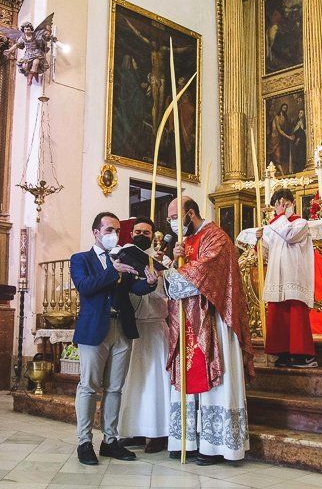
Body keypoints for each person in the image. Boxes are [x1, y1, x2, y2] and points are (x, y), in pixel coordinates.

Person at [162, 197, 254, 465]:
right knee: (188, 381)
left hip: (214, 321)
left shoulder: (217, 238)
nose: (173, 224)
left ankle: (215, 446)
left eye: (175, 217)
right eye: (170, 219)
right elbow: (183, 273)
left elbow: (202, 274)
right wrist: (171, 262)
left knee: (216, 384)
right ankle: (187, 441)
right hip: (187, 320)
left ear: (190, 214)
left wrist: (170, 272)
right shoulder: (186, 242)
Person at [70, 212, 159, 465]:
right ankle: (84, 442)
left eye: (118, 231)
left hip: (122, 327)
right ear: (96, 232)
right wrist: (112, 269)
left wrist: (150, 283)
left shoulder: (122, 257)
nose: (114, 235)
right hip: (94, 328)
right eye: (109, 230)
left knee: (115, 387)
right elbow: (85, 287)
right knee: (88, 386)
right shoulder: (81, 259)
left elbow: (134, 287)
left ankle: (110, 440)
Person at [118, 217, 171, 454]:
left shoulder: (163, 259)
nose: (142, 235)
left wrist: (161, 274)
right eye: (138, 231)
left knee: (156, 381)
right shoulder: (125, 257)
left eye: (147, 232)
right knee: (135, 382)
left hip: (157, 326)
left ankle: (159, 433)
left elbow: (169, 293)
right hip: (135, 327)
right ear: (131, 234)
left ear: (154, 235)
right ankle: (135, 431)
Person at [255, 189, 316, 368]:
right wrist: (259, 241)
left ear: (292, 204)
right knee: (278, 315)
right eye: (278, 205)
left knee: (295, 314)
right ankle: (281, 353)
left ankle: (302, 355)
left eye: (285, 204)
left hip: (294, 274)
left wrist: (279, 217)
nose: (281, 208)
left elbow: (289, 236)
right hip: (277, 274)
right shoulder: (274, 226)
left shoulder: (301, 223)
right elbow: (266, 253)